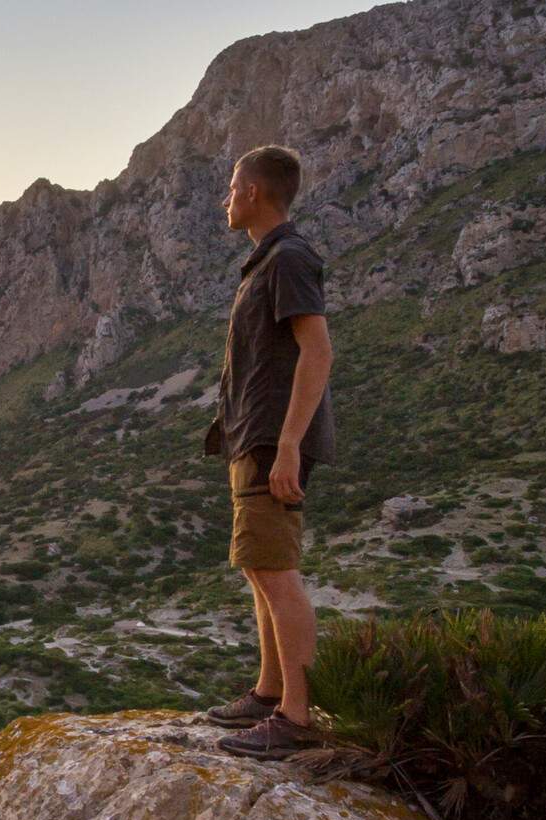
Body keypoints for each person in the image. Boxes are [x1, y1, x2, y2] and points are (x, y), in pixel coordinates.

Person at [200, 144, 336, 759]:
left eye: (232, 188)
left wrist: (287, 445)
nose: (226, 199)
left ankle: (297, 718)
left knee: (277, 573)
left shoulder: (288, 257)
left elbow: (318, 351)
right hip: (250, 435)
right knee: (259, 566)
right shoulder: (267, 261)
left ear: (253, 192)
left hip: (270, 440)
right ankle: (268, 692)